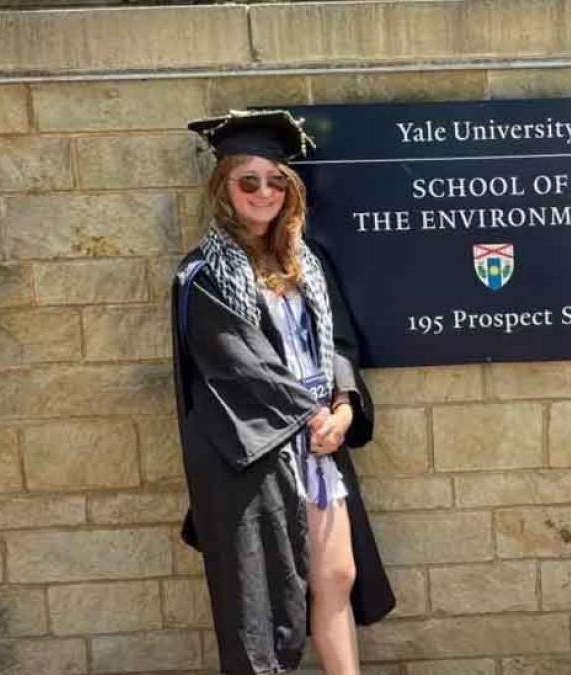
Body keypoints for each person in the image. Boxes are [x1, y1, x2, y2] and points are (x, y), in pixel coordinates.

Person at [173, 109, 395, 675]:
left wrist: (343, 408)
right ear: (224, 186)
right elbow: (237, 366)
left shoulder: (307, 264)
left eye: (276, 181)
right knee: (267, 607)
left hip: (318, 440)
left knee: (337, 575)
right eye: (249, 181)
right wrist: (314, 416)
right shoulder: (204, 275)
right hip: (253, 457)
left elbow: (339, 342)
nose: (263, 193)